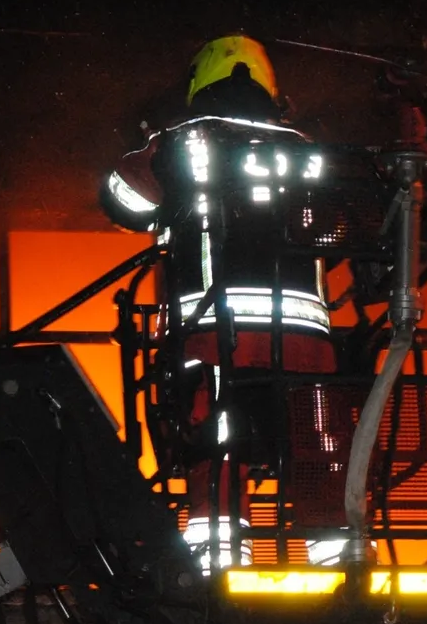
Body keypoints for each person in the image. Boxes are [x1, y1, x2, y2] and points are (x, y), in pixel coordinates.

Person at [99, 34, 346, 572]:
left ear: (200, 82)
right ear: (269, 88)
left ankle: (218, 561)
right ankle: (340, 557)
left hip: (216, 338)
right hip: (306, 349)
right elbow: (337, 230)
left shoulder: (183, 144)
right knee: (316, 449)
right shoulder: (308, 153)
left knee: (218, 445)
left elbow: (124, 202)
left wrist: (147, 148)